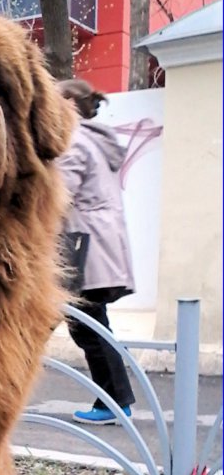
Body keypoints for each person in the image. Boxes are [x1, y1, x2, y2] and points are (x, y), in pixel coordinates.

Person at [56, 78, 136, 426]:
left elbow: (57, 194)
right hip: (94, 247)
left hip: (83, 250)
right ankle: (116, 402)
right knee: (90, 324)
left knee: (85, 325)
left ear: (69, 105)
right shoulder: (93, 140)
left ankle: (115, 403)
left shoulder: (73, 141)